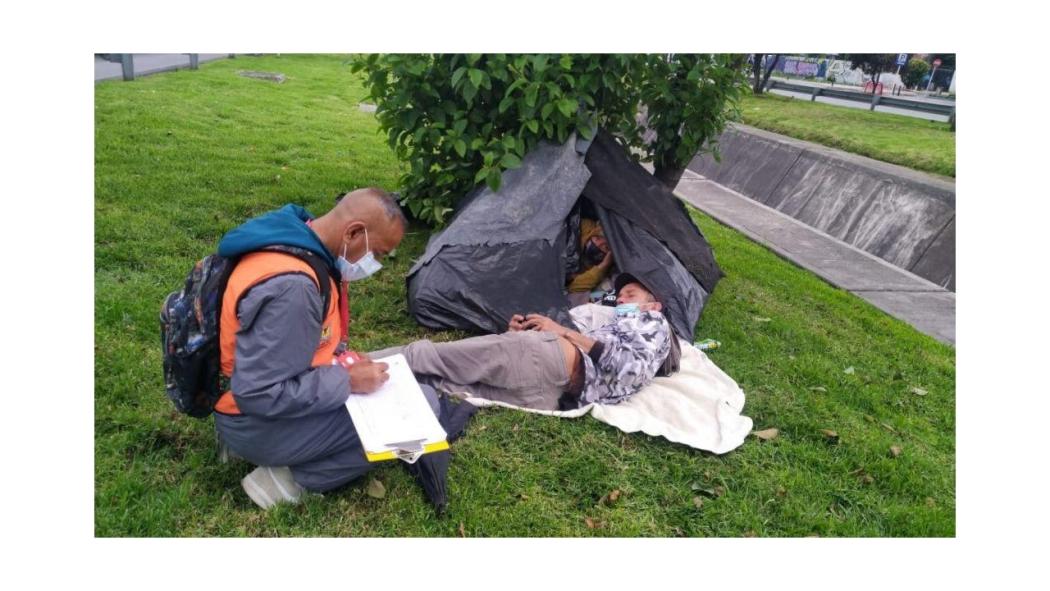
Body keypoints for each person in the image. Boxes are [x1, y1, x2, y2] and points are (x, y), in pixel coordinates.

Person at [211, 187, 433, 510]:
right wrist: (347, 381)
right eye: (380, 255)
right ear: (354, 232)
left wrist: (342, 360)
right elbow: (259, 393)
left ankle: (253, 447)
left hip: (242, 409)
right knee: (422, 409)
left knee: (411, 395)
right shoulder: (295, 289)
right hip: (252, 419)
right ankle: (286, 481)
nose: (377, 265)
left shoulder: (299, 241)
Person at [389, 273, 680, 412]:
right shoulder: (615, 322)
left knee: (435, 374)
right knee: (430, 366)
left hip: (554, 383)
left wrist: (561, 331)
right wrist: (524, 332)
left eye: (630, 294)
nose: (621, 299)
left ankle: (356, 375)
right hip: (548, 371)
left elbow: (628, 367)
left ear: (653, 305)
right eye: (620, 295)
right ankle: (351, 368)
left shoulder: (653, 324)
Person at [566, 218, 615, 299]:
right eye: (598, 238)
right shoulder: (585, 227)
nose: (598, 244)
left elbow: (572, 288)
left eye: (605, 247)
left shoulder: (597, 268)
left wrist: (603, 266)